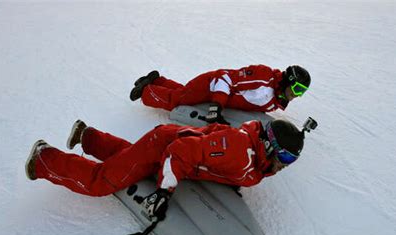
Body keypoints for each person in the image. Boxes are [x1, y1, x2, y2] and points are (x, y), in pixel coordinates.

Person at [25, 119, 305, 220]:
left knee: (128, 160)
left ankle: (87, 136)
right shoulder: (237, 149)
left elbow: (219, 162)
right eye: (284, 157)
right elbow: (179, 152)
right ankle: (43, 159)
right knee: (102, 182)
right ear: (269, 146)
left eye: (292, 161)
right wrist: (164, 192)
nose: (285, 166)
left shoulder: (256, 161)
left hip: (169, 148)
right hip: (164, 147)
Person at [130, 65, 311, 124]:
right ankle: (146, 91)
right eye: (297, 89)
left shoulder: (276, 98)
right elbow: (225, 79)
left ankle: (158, 81)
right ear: (288, 81)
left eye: (302, 92)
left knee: (185, 92)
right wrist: (216, 107)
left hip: (218, 95)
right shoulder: (263, 78)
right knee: (178, 101)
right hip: (211, 85)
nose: (298, 95)